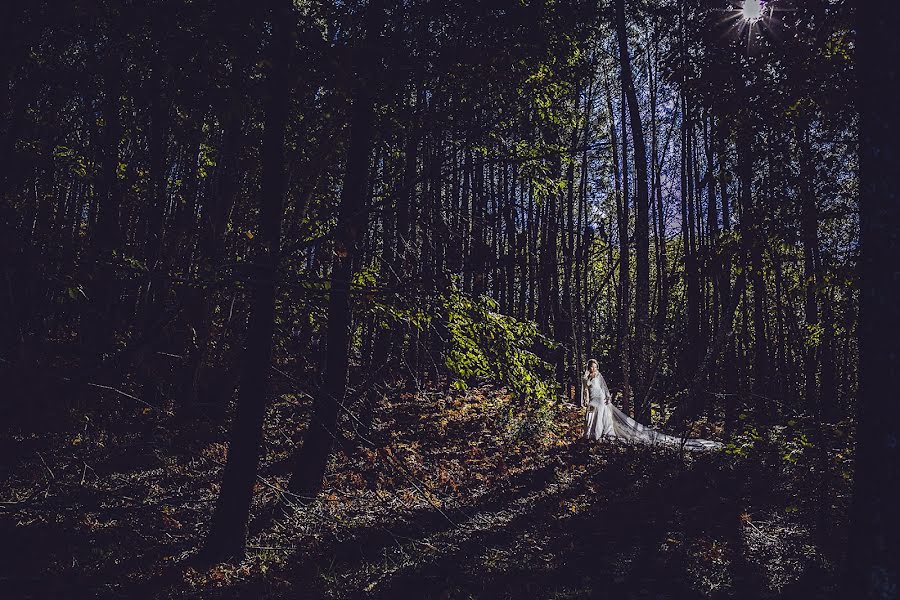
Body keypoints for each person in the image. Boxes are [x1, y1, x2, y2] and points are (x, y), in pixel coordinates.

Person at [581, 359, 722, 451]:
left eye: (595, 367)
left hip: (601, 398)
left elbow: (604, 388)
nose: (593, 369)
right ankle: (590, 436)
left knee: (601, 416)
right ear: (588, 367)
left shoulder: (599, 376)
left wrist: (607, 397)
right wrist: (585, 400)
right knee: (591, 415)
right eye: (591, 367)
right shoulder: (586, 377)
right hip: (593, 399)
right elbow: (586, 390)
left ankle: (597, 436)